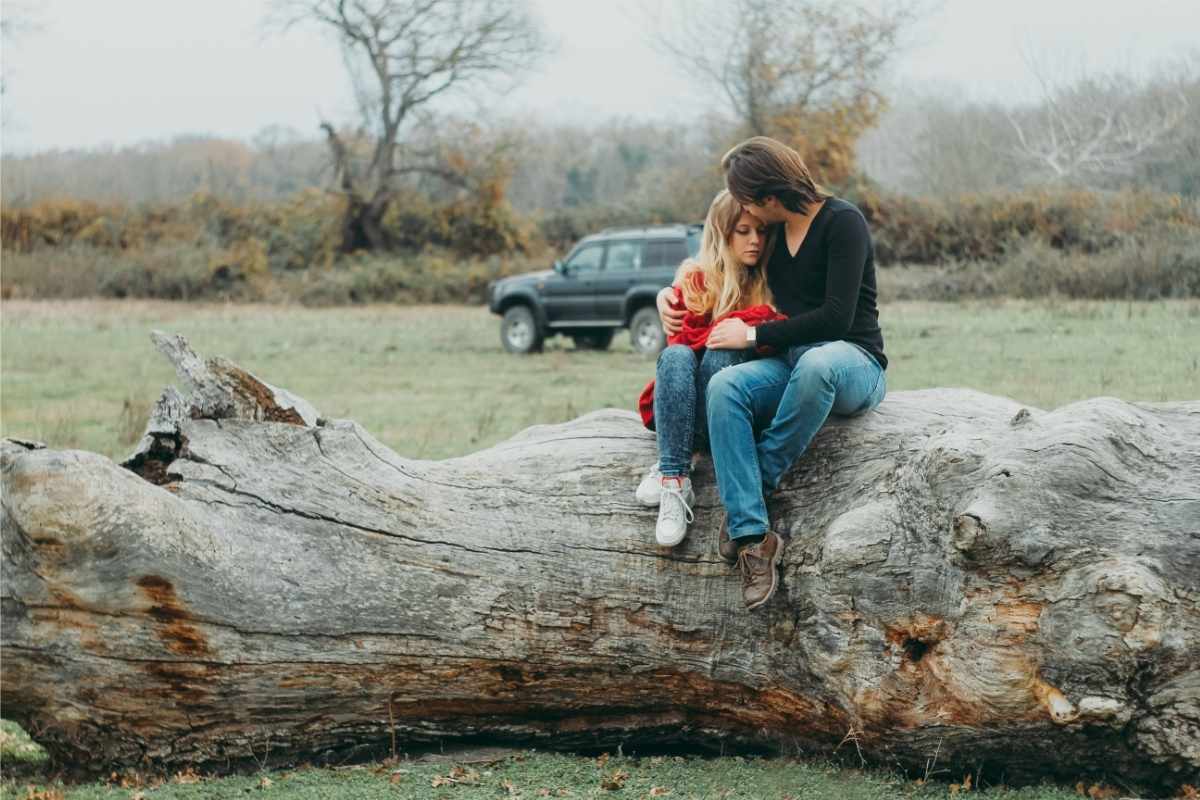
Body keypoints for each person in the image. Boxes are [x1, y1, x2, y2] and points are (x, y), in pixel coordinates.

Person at [681, 136, 888, 610]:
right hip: (794, 363)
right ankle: (754, 535)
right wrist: (666, 299)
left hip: (853, 362)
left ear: (769, 197)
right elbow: (716, 264)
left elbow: (837, 318)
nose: (748, 213)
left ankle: (755, 485)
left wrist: (751, 340)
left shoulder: (843, 223)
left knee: (817, 362)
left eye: (750, 201)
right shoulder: (772, 237)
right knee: (725, 386)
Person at [635, 190, 785, 548]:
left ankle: (672, 467)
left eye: (761, 232)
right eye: (744, 231)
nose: (755, 241)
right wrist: (667, 296)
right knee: (675, 357)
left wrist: (744, 331)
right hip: (685, 412)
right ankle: (674, 481)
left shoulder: (771, 282)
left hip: (732, 418)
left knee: (720, 355)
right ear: (721, 233)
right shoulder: (695, 280)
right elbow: (679, 348)